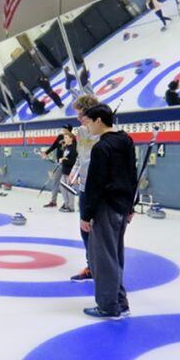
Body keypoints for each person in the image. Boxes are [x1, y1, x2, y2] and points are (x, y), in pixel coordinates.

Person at [80, 104, 137, 319]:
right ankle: (120, 303)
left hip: (106, 208)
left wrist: (86, 214)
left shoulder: (101, 147)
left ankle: (108, 306)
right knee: (115, 256)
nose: (87, 127)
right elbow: (132, 176)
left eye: (89, 122)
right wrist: (131, 205)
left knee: (103, 259)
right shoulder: (126, 141)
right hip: (122, 207)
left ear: (99, 121)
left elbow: (95, 184)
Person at [68, 94, 101, 282]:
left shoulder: (105, 131)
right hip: (84, 187)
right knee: (85, 229)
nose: (78, 119)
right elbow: (81, 158)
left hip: (100, 189)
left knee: (102, 231)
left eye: (81, 115)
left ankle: (104, 269)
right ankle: (91, 267)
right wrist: (74, 171)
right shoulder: (80, 132)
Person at [40, 125, 72, 208]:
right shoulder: (60, 137)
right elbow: (54, 146)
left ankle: (68, 203)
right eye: (63, 129)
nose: (63, 130)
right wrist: (46, 153)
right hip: (59, 164)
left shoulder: (71, 139)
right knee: (55, 182)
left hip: (67, 164)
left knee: (66, 185)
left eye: (65, 129)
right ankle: (53, 201)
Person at [58, 133, 78, 213]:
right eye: (64, 138)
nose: (64, 139)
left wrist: (63, 160)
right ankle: (66, 204)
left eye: (66, 137)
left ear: (71, 138)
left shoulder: (74, 148)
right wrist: (62, 159)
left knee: (70, 190)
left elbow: (73, 162)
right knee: (63, 189)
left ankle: (71, 207)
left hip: (71, 173)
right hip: (64, 171)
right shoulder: (66, 147)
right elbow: (65, 158)